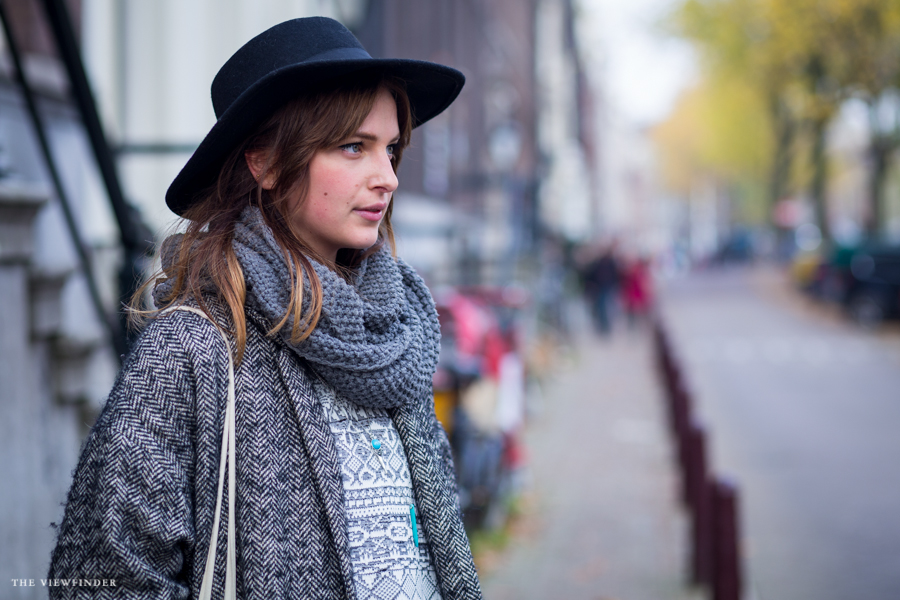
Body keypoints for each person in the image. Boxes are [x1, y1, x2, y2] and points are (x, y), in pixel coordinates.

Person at [47, 17, 482, 600]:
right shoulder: (194, 351)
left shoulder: (395, 332)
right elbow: (98, 584)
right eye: (354, 147)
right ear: (267, 163)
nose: (387, 178)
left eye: (392, 149)